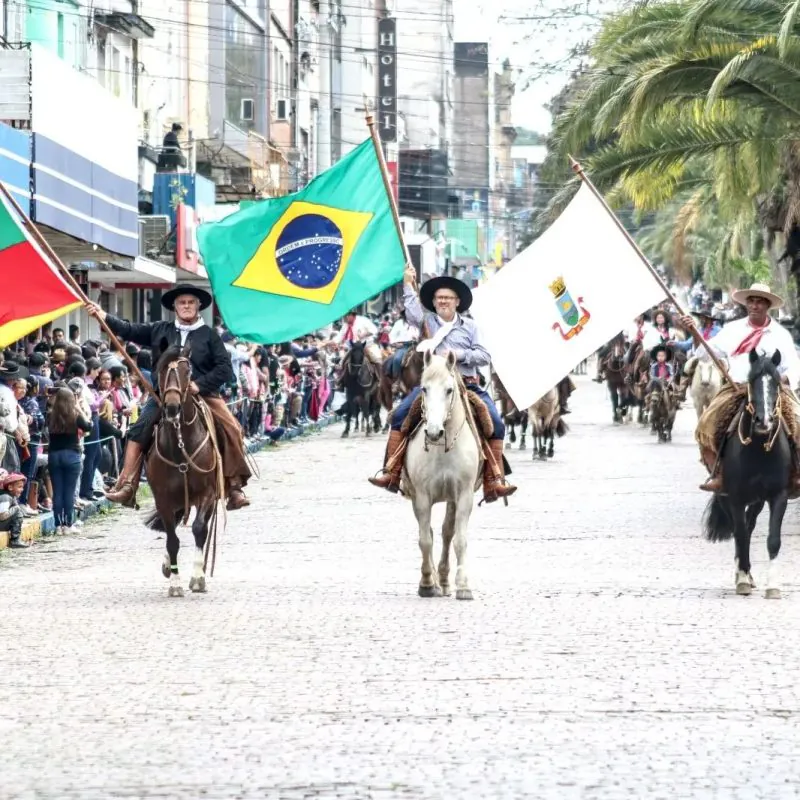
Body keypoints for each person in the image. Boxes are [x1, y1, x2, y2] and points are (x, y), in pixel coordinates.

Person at [86, 284, 252, 510]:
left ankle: (234, 487)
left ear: (198, 306)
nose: (186, 306)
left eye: (190, 302)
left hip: (203, 394)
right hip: (163, 396)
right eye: (182, 302)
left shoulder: (210, 336)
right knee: (137, 431)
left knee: (232, 427)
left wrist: (198, 385)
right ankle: (127, 485)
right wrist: (102, 315)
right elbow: (129, 329)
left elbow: (224, 369)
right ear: (174, 306)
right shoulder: (159, 329)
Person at [368, 267, 516, 504]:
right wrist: (408, 283)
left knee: (496, 423)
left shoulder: (470, 327)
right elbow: (413, 312)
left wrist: (457, 354)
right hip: (433, 387)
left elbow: (484, 356)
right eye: (439, 299)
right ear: (434, 303)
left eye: (448, 298)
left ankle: (493, 480)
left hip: (466, 385)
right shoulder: (426, 323)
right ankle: (392, 473)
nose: (443, 302)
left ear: (457, 302)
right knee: (399, 417)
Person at [678, 283, 800, 493]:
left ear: (768, 305)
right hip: (737, 388)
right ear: (746, 304)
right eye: (751, 301)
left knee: (798, 421)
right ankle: (719, 473)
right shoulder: (732, 330)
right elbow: (707, 353)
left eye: (760, 301)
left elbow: (795, 364)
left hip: (772, 390)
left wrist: (783, 379)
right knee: (707, 423)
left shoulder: (780, 334)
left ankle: (795, 473)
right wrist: (695, 333)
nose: (754, 305)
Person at [47, 387, 92, 534]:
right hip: (72, 455)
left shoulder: (50, 416)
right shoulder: (75, 415)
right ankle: (68, 524)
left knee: (57, 491)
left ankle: (58, 525)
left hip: (54, 455)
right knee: (69, 491)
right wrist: (79, 409)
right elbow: (88, 426)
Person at [0, 470, 29, 548]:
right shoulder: (6, 497)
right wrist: (15, 509)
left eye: (22, 487)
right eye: (19, 487)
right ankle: (15, 540)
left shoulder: (12, 497)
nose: (22, 489)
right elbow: (2, 515)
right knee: (17, 512)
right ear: (10, 487)